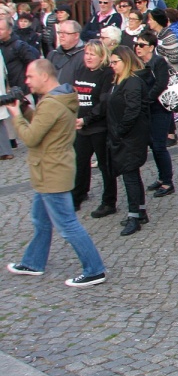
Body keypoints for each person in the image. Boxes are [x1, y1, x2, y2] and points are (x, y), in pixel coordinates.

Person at [5, 59, 107, 287]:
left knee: (68, 225)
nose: (26, 81)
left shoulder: (52, 103)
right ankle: (33, 262)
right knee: (41, 220)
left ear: (44, 76)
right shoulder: (56, 98)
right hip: (49, 171)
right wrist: (25, 108)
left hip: (53, 173)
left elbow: (31, 137)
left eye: (30, 76)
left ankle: (95, 269)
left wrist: (16, 116)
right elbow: (44, 124)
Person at [102, 46, 152, 236]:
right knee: (131, 174)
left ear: (126, 61)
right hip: (124, 135)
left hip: (130, 137)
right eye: (111, 63)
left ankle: (134, 215)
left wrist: (120, 130)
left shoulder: (132, 83)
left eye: (116, 62)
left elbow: (133, 110)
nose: (112, 66)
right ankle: (139, 211)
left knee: (130, 175)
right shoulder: (119, 81)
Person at [72, 40, 117, 217]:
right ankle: (78, 195)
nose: (88, 57)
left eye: (92, 54)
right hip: (81, 126)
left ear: (101, 56)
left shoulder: (106, 74)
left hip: (99, 127)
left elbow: (104, 102)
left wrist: (87, 119)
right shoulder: (81, 70)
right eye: (86, 53)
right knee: (80, 162)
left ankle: (109, 201)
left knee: (105, 166)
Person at [135, 31, 176, 198]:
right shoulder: (138, 63)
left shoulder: (158, 62)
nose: (138, 48)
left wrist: (145, 99)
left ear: (151, 47)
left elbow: (161, 84)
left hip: (159, 109)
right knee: (153, 145)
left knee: (159, 146)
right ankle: (161, 177)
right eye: (137, 45)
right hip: (147, 110)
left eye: (141, 45)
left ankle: (168, 181)